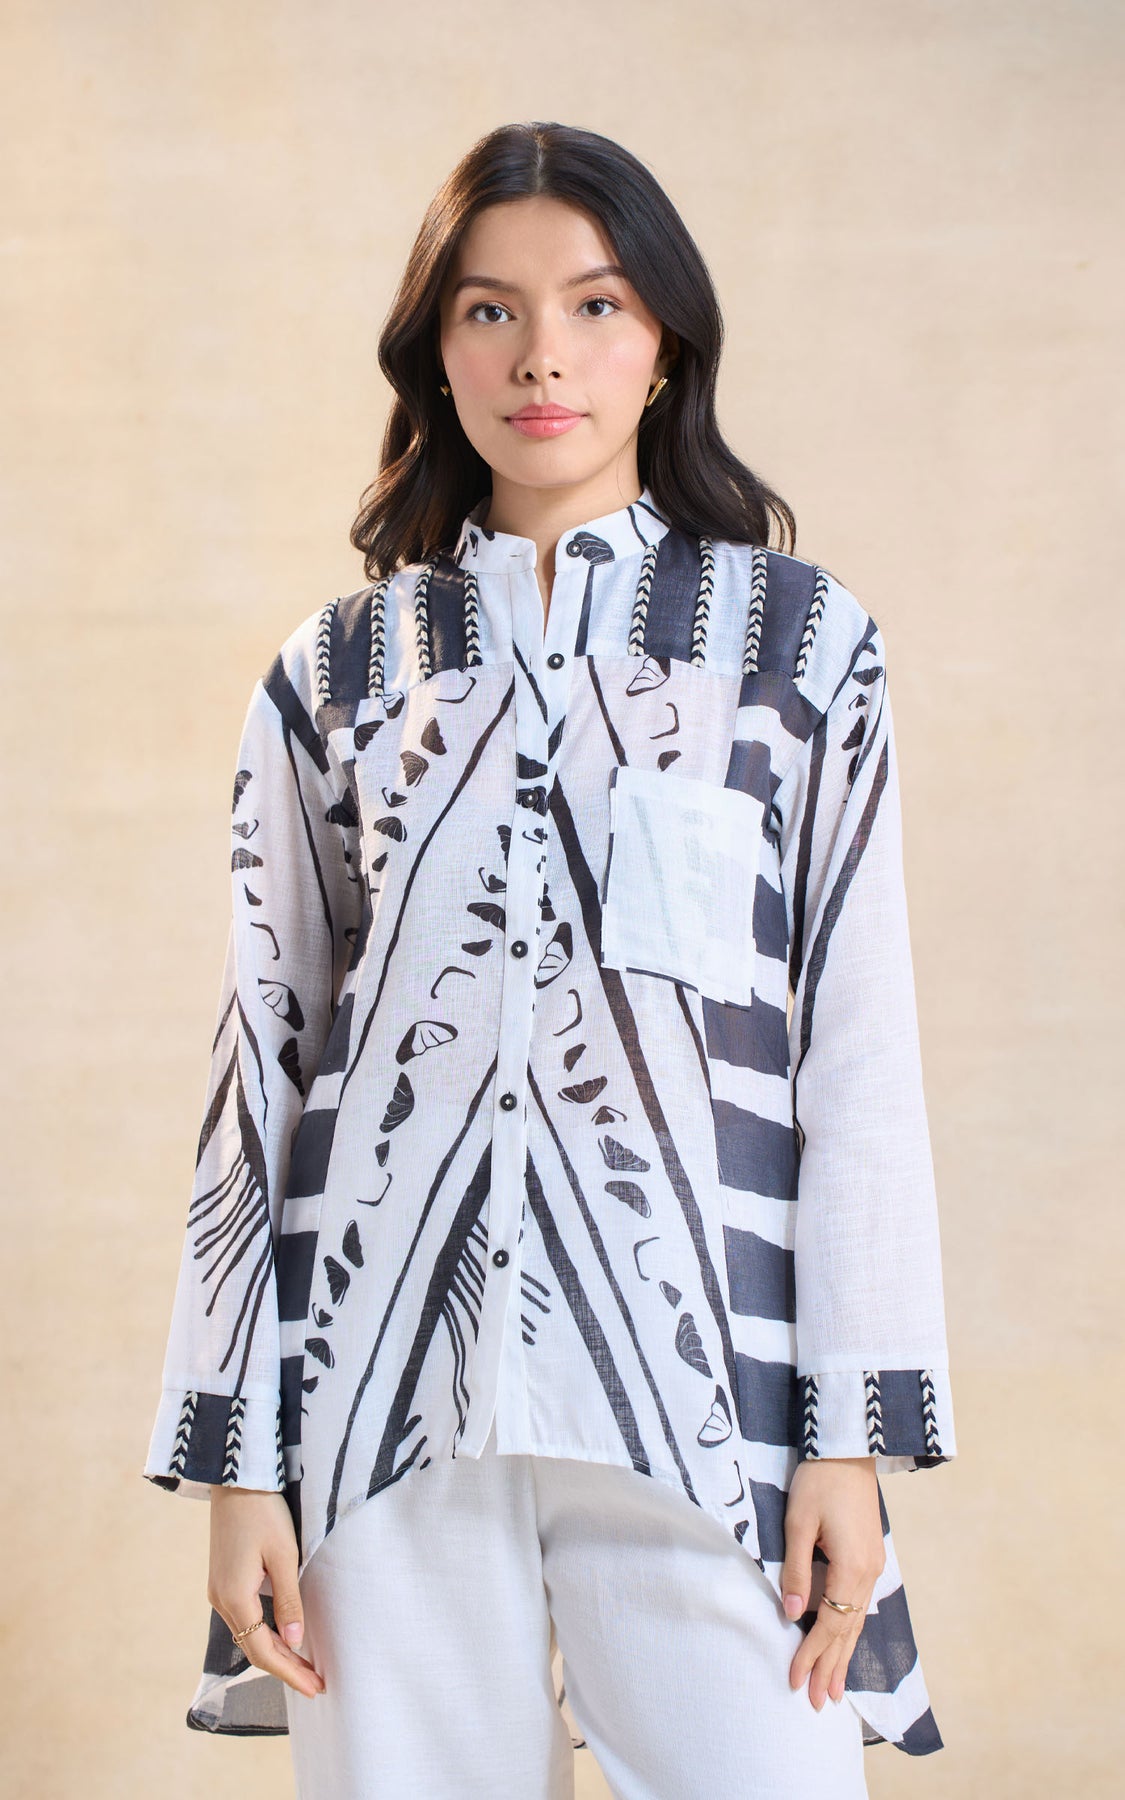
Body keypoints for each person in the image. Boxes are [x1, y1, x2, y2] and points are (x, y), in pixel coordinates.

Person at [143, 120, 958, 1798]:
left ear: (663, 342)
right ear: (434, 352)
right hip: (380, 1405)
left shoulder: (800, 650)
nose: (541, 358)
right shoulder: (335, 676)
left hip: (703, 1403)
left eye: (593, 306)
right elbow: (259, 1068)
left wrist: (848, 1435)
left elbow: (858, 1053)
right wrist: (240, 1460)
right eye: (489, 311)